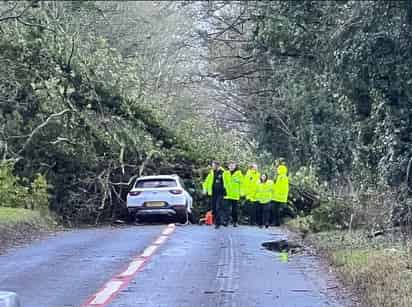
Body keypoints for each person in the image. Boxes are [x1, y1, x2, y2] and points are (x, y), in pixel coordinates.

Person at [202, 161, 225, 228]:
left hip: (220, 193)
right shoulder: (211, 172)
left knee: (218, 207)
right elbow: (206, 182)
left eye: (213, 165)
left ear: (217, 165)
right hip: (213, 193)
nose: (212, 166)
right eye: (212, 165)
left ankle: (218, 223)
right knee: (214, 208)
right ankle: (216, 221)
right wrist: (204, 189)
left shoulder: (223, 173)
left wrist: (226, 190)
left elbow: (227, 182)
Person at [223, 162, 243, 227]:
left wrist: (241, 192)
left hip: (235, 194)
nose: (231, 167)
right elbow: (224, 182)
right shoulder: (225, 173)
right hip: (227, 194)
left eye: (233, 166)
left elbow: (242, 182)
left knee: (235, 209)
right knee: (226, 209)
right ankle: (226, 221)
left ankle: (235, 222)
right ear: (228, 166)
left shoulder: (239, 173)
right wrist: (224, 190)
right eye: (230, 166)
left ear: (235, 166)